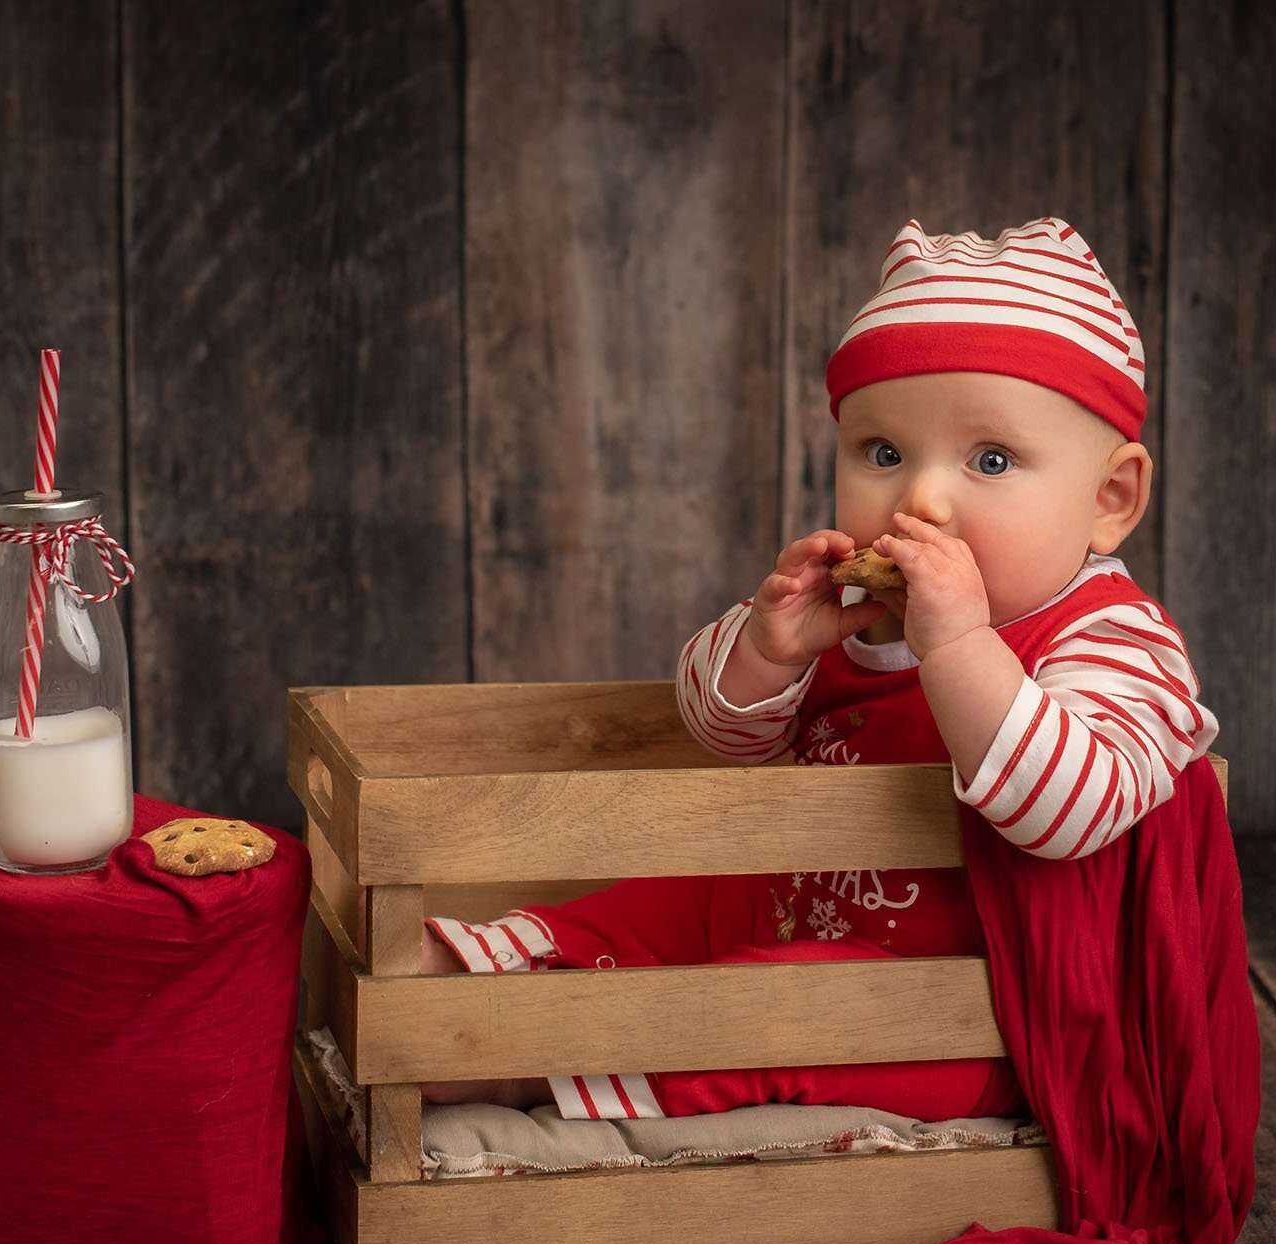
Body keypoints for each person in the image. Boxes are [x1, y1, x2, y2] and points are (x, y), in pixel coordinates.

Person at [417, 216, 1218, 1123]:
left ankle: (526, 1071)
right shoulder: (857, 610)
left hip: (961, 1010)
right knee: (654, 903)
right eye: (883, 454)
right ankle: (455, 981)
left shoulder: (1115, 640)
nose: (920, 498)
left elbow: (1070, 811)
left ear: (1110, 498)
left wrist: (957, 647)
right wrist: (770, 650)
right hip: (788, 902)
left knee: (770, 1013)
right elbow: (721, 730)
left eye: (990, 460)